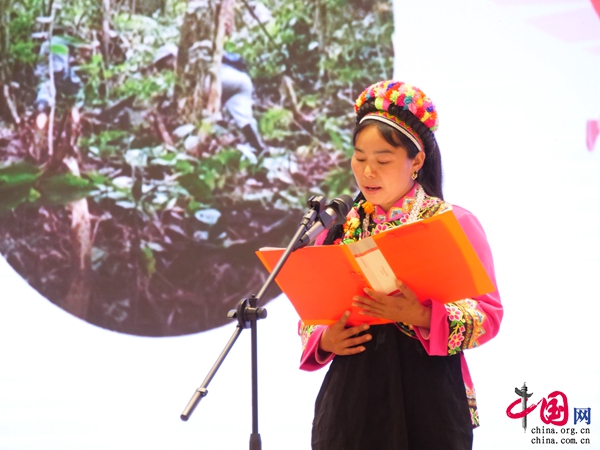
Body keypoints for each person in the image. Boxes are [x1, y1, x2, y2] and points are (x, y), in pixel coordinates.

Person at [298, 80, 503, 450]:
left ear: (416, 161)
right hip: (350, 403)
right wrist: (325, 338)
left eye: (382, 161)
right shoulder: (337, 229)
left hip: (430, 399)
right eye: (359, 158)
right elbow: (312, 312)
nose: (367, 172)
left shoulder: (451, 223)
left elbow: (487, 315)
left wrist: (422, 315)